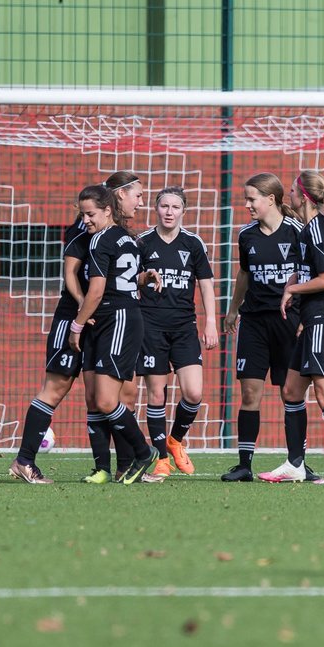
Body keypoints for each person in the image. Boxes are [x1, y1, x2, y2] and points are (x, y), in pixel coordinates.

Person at [258, 169, 324, 485]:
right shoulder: (309, 230)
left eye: (291, 190)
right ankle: (295, 465)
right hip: (311, 321)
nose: (288, 195)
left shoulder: (316, 229)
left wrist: (292, 290)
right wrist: (296, 283)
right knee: (290, 390)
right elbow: (313, 273)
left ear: (303, 196)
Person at [69, 183, 160, 486]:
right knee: (95, 397)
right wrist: (143, 278)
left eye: (91, 214)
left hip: (117, 318)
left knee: (108, 401)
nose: (86, 221)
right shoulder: (126, 238)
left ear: (108, 210)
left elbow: (96, 291)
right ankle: (102, 467)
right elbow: (126, 277)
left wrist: (76, 325)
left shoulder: (99, 242)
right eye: (82, 215)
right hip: (109, 318)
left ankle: (143, 452)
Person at [219, 173, 307, 482]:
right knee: (249, 392)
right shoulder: (247, 235)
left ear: (271, 199)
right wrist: (232, 310)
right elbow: (244, 273)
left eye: (251, 199)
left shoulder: (298, 231)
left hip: (288, 321)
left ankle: (297, 461)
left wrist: (305, 318)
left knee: (290, 393)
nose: (247, 205)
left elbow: (311, 275)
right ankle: (244, 464)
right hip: (254, 322)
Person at [135, 186, 219, 482]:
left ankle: (175, 440)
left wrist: (210, 322)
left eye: (175, 207)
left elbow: (206, 284)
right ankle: (160, 458)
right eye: (164, 206)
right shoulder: (142, 242)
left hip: (184, 327)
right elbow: (130, 281)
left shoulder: (193, 243)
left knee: (194, 392)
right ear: (156, 209)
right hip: (150, 326)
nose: (169, 212)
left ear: (184, 210)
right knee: (156, 393)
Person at [7, 210, 89, 485]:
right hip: (72, 318)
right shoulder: (83, 229)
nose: (139, 202)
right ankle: (24, 460)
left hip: (102, 321)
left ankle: (120, 465)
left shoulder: (118, 233)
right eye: (135, 195)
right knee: (56, 387)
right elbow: (71, 274)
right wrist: (82, 308)